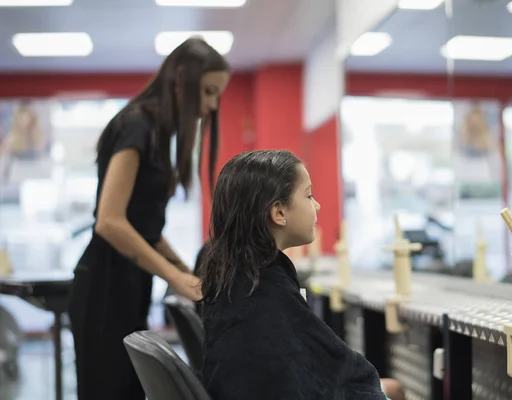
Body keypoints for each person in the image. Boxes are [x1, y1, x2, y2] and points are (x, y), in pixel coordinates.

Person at [67, 37, 230, 400]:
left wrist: (188, 272)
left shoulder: (159, 134)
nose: (211, 105)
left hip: (129, 288)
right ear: (180, 80)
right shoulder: (136, 125)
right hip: (103, 289)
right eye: (207, 92)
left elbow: (147, 231)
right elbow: (109, 221)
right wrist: (174, 276)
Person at [197, 150, 405, 400]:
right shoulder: (264, 293)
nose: (316, 205)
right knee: (394, 389)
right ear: (279, 213)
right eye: (308, 195)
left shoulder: (237, 277)